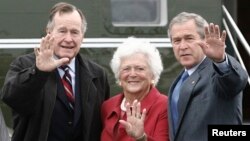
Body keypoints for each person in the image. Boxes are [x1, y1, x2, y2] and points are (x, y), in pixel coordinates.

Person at [0, 2, 110, 141]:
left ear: (82, 37)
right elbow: (12, 98)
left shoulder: (98, 74)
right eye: (62, 31)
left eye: (75, 32)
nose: (68, 39)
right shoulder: (24, 65)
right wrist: (39, 72)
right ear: (49, 32)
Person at [167, 12, 248, 141]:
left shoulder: (218, 70)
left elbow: (235, 81)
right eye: (176, 41)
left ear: (205, 40)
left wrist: (221, 61)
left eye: (189, 38)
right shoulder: (178, 82)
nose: (182, 46)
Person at [101, 37, 169, 141]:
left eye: (140, 69)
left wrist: (141, 138)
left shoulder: (164, 106)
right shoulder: (108, 106)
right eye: (126, 69)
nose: (132, 74)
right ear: (119, 76)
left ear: (153, 76)